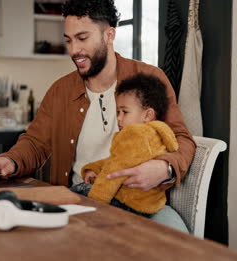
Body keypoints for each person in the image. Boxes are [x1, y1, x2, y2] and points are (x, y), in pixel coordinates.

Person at [0, 0, 196, 232]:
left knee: (183, 245)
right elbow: (35, 142)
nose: (73, 50)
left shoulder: (149, 78)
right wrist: (11, 160)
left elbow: (182, 139)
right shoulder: (60, 91)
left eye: (82, 38)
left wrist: (164, 168)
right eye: (68, 40)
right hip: (83, 201)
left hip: (143, 201)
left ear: (109, 35)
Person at [71, 73, 179, 218]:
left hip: (126, 204)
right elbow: (117, 160)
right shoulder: (158, 134)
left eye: (125, 112)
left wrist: (95, 203)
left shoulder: (133, 135)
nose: (119, 118)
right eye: (117, 112)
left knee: (74, 192)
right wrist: (93, 168)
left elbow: (114, 171)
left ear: (148, 115)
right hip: (150, 206)